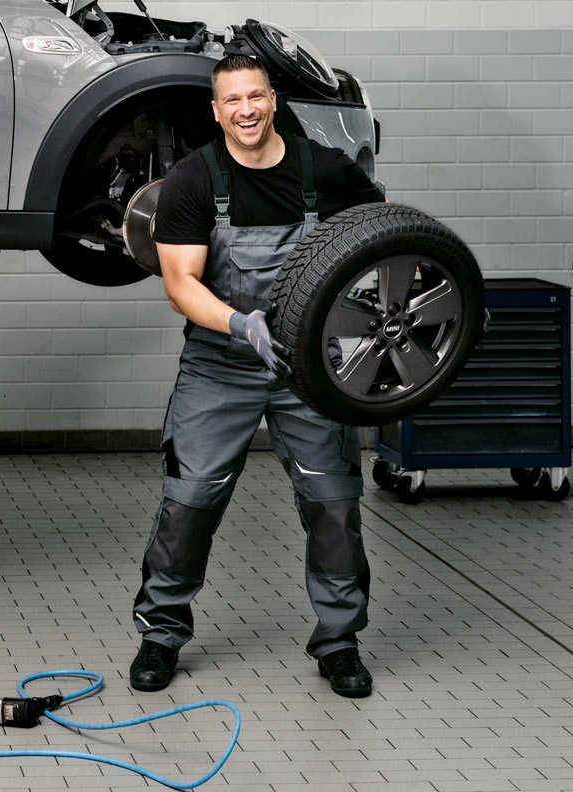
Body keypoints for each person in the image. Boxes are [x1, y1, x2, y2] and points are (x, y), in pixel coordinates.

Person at [127, 53, 386, 699]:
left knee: (333, 504)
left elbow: (387, 242)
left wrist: (438, 311)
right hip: (220, 363)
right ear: (216, 111)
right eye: (232, 101)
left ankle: (339, 642)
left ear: (273, 101)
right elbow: (181, 284)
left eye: (256, 97)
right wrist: (242, 325)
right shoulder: (192, 179)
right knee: (189, 500)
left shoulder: (326, 170)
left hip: (310, 369)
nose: (246, 110)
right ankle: (161, 634)